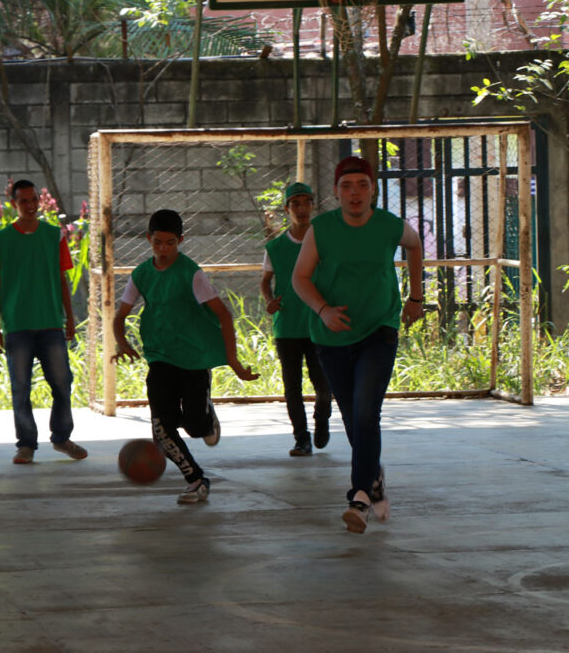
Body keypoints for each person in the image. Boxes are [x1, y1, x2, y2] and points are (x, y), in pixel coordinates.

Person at [292, 156, 424, 533]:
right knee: (354, 419)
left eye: (362, 185)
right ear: (336, 192)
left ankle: (360, 497)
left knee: (367, 413)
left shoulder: (388, 225)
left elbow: (414, 246)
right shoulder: (321, 229)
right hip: (331, 335)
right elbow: (300, 278)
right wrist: (323, 310)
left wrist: (415, 297)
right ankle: (375, 480)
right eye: (347, 186)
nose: (354, 193)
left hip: (379, 328)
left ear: (373, 190)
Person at [112, 209, 259, 504]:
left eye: (170, 243)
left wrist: (233, 361)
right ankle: (195, 479)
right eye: (157, 243)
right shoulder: (141, 274)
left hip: (193, 358)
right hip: (160, 356)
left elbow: (224, 316)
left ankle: (206, 420)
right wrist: (121, 342)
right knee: (162, 425)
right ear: (148, 239)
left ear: (180, 240)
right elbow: (120, 316)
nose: (163, 250)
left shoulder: (191, 273)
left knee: (194, 425)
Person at [0, 179, 87, 464]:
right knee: (21, 387)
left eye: (34, 201)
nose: (30, 206)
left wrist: (68, 317)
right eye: (24, 202)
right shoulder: (2, 239)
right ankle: (26, 444)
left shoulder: (54, 236)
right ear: (13, 204)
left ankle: (62, 438)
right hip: (17, 324)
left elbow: (62, 278)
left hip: (50, 322)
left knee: (62, 382)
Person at [260, 181, 332, 456]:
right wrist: (270, 301)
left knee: (324, 383)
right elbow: (265, 281)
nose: (301, 209)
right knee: (292, 386)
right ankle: (301, 438)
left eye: (306, 202)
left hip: (318, 322)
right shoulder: (276, 247)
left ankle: (322, 419)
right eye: (295, 204)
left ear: (313, 205)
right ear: (287, 209)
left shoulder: (323, 241)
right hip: (288, 325)